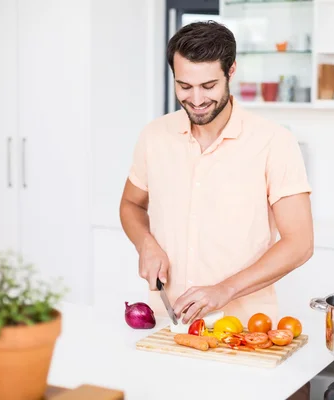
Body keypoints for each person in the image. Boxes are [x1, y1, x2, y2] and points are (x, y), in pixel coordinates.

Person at [119, 21, 313, 399]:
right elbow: (130, 204)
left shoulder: (274, 142)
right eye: (184, 86)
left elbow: (300, 242)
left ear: (231, 71)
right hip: (167, 329)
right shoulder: (154, 136)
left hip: (242, 332)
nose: (196, 99)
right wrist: (145, 243)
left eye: (208, 86)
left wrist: (225, 289)